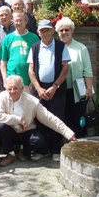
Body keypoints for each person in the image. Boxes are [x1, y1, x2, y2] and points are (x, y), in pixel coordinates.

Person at [0, 75, 76, 167]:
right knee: (0, 127)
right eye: (9, 89)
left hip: (26, 131)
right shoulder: (2, 97)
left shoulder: (32, 101)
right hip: (10, 131)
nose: (12, 91)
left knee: (38, 140)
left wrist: (68, 133)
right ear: (6, 89)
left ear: (22, 88)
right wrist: (18, 120)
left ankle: (24, 152)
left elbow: (50, 118)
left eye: (15, 88)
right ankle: (10, 154)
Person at [28, 19, 71, 161]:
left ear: (52, 31)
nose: (44, 33)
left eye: (47, 30)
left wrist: (55, 86)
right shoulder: (34, 47)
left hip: (56, 88)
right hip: (39, 89)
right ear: (38, 33)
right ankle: (42, 150)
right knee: (39, 120)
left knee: (57, 118)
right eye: (42, 30)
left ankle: (55, 150)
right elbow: (31, 70)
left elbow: (65, 68)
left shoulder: (60, 46)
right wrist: (38, 88)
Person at [56, 17, 94, 138]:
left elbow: (88, 70)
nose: (64, 32)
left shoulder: (81, 48)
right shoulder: (55, 47)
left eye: (67, 29)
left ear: (72, 31)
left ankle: (81, 143)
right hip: (60, 90)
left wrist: (89, 88)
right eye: (61, 30)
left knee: (79, 119)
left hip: (78, 91)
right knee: (63, 118)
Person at [0, 11, 40, 92]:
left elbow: (39, 61)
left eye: (20, 20)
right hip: (12, 83)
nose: (18, 23)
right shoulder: (8, 38)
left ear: (26, 21)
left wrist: (34, 81)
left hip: (28, 82)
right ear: (13, 22)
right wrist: (5, 80)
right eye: (16, 21)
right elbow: (3, 62)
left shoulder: (34, 38)